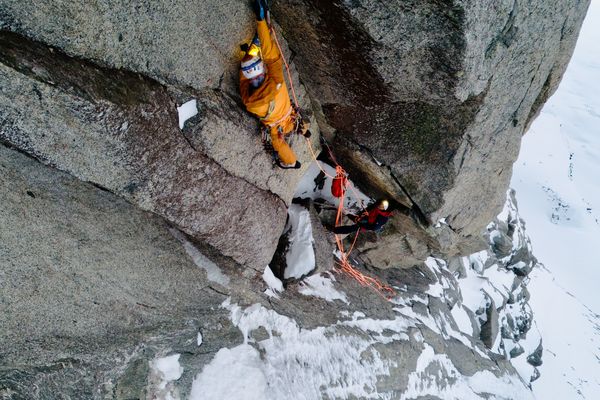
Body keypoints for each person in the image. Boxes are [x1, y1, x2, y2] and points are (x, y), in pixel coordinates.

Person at [240, 0, 310, 169]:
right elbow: (270, 54)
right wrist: (261, 22)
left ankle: (299, 143)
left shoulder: (249, 102)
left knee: (289, 131)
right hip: (284, 118)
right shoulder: (275, 79)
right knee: (298, 123)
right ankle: (305, 131)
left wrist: (293, 162)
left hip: (279, 122)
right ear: (262, 71)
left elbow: (243, 80)